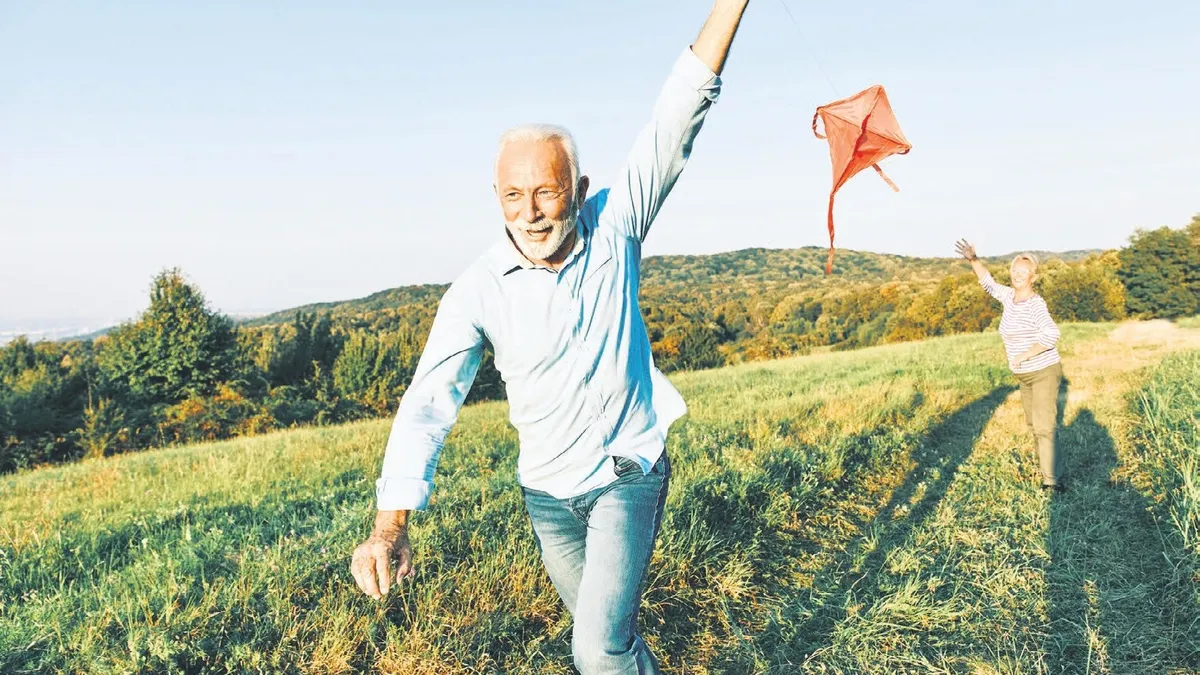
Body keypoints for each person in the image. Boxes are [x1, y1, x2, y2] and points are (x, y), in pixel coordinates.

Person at [350, 2, 751, 672]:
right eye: (513, 195)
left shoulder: (616, 226)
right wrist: (391, 525)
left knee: (597, 648)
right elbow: (427, 405)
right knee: (611, 641)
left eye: (546, 191)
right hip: (548, 499)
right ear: (496, 196)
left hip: (627, 473)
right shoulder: (477, 291)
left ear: (580, 189)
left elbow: (680, 111)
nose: (531, 213)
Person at [955, 239, 1066, 493]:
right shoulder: (1009, 297)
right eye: (1015, 270)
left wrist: (1025, 355)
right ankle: (1047, 468)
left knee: (1044, 426)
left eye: (1024, 272)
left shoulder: (1036, 304)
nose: (1018, 275)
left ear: (1033, 277)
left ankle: (1052, 481)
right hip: (1024, 376)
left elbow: (1052, 334)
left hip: (1043, 372)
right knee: (1034, 424)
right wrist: (973, 259)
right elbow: (988, 283)